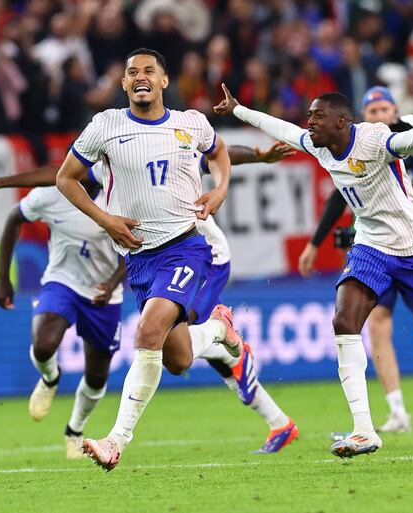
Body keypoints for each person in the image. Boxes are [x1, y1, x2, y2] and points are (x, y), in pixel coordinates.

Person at [215, 86, 413, 458]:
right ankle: (364, 430)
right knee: (344, 321)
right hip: (371, 247)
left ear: (341, 122)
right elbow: (282, 130)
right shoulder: (319, 146)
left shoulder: (373, 138)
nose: (310, 121)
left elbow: (409, 142)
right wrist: (238, 110)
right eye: (310, 115)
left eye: (318, 116)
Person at [0, 142, 300, 455]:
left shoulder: (163, 153)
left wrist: (258, 155)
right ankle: (273, 413)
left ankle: (218, 347)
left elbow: (214, 154)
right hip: (160, 262)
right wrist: (0, 183)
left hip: (202, 256)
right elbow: (59, 173)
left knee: (175, 337)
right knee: (180, 356)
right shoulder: (111, 172)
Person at [54, 48, 272, 471]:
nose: (140, 77)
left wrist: (220, 189)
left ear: (163, 81)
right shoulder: (105, 125)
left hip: (185, 247)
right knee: (178, 360)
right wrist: (105, 220)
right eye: (132, 72)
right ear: (123, 84)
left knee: (148, 332)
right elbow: (65, 178)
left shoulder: (191, 123)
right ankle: (218, 327)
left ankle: (116, 440)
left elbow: (219, 151)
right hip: (139, 260)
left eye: (149, 71)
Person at [298, 86, 413, 432]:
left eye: (384, 109)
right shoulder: (357, 147)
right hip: (375, 248)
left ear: (395, 111)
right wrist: (315, 243)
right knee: (376, 326)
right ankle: (396, 410)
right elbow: (338, 198)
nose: (379, 115)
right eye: (373, 111)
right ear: (359, 118)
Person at [0, 181, 126, 459]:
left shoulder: (118, 196)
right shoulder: (49, 195)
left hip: (103, 292)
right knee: (43, 345)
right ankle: (50, 377)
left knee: (97, 375)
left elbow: (141, 244)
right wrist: (3, 277)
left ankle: (74, 430)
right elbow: (14, 217)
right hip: (61, 282)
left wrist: (114, 282)